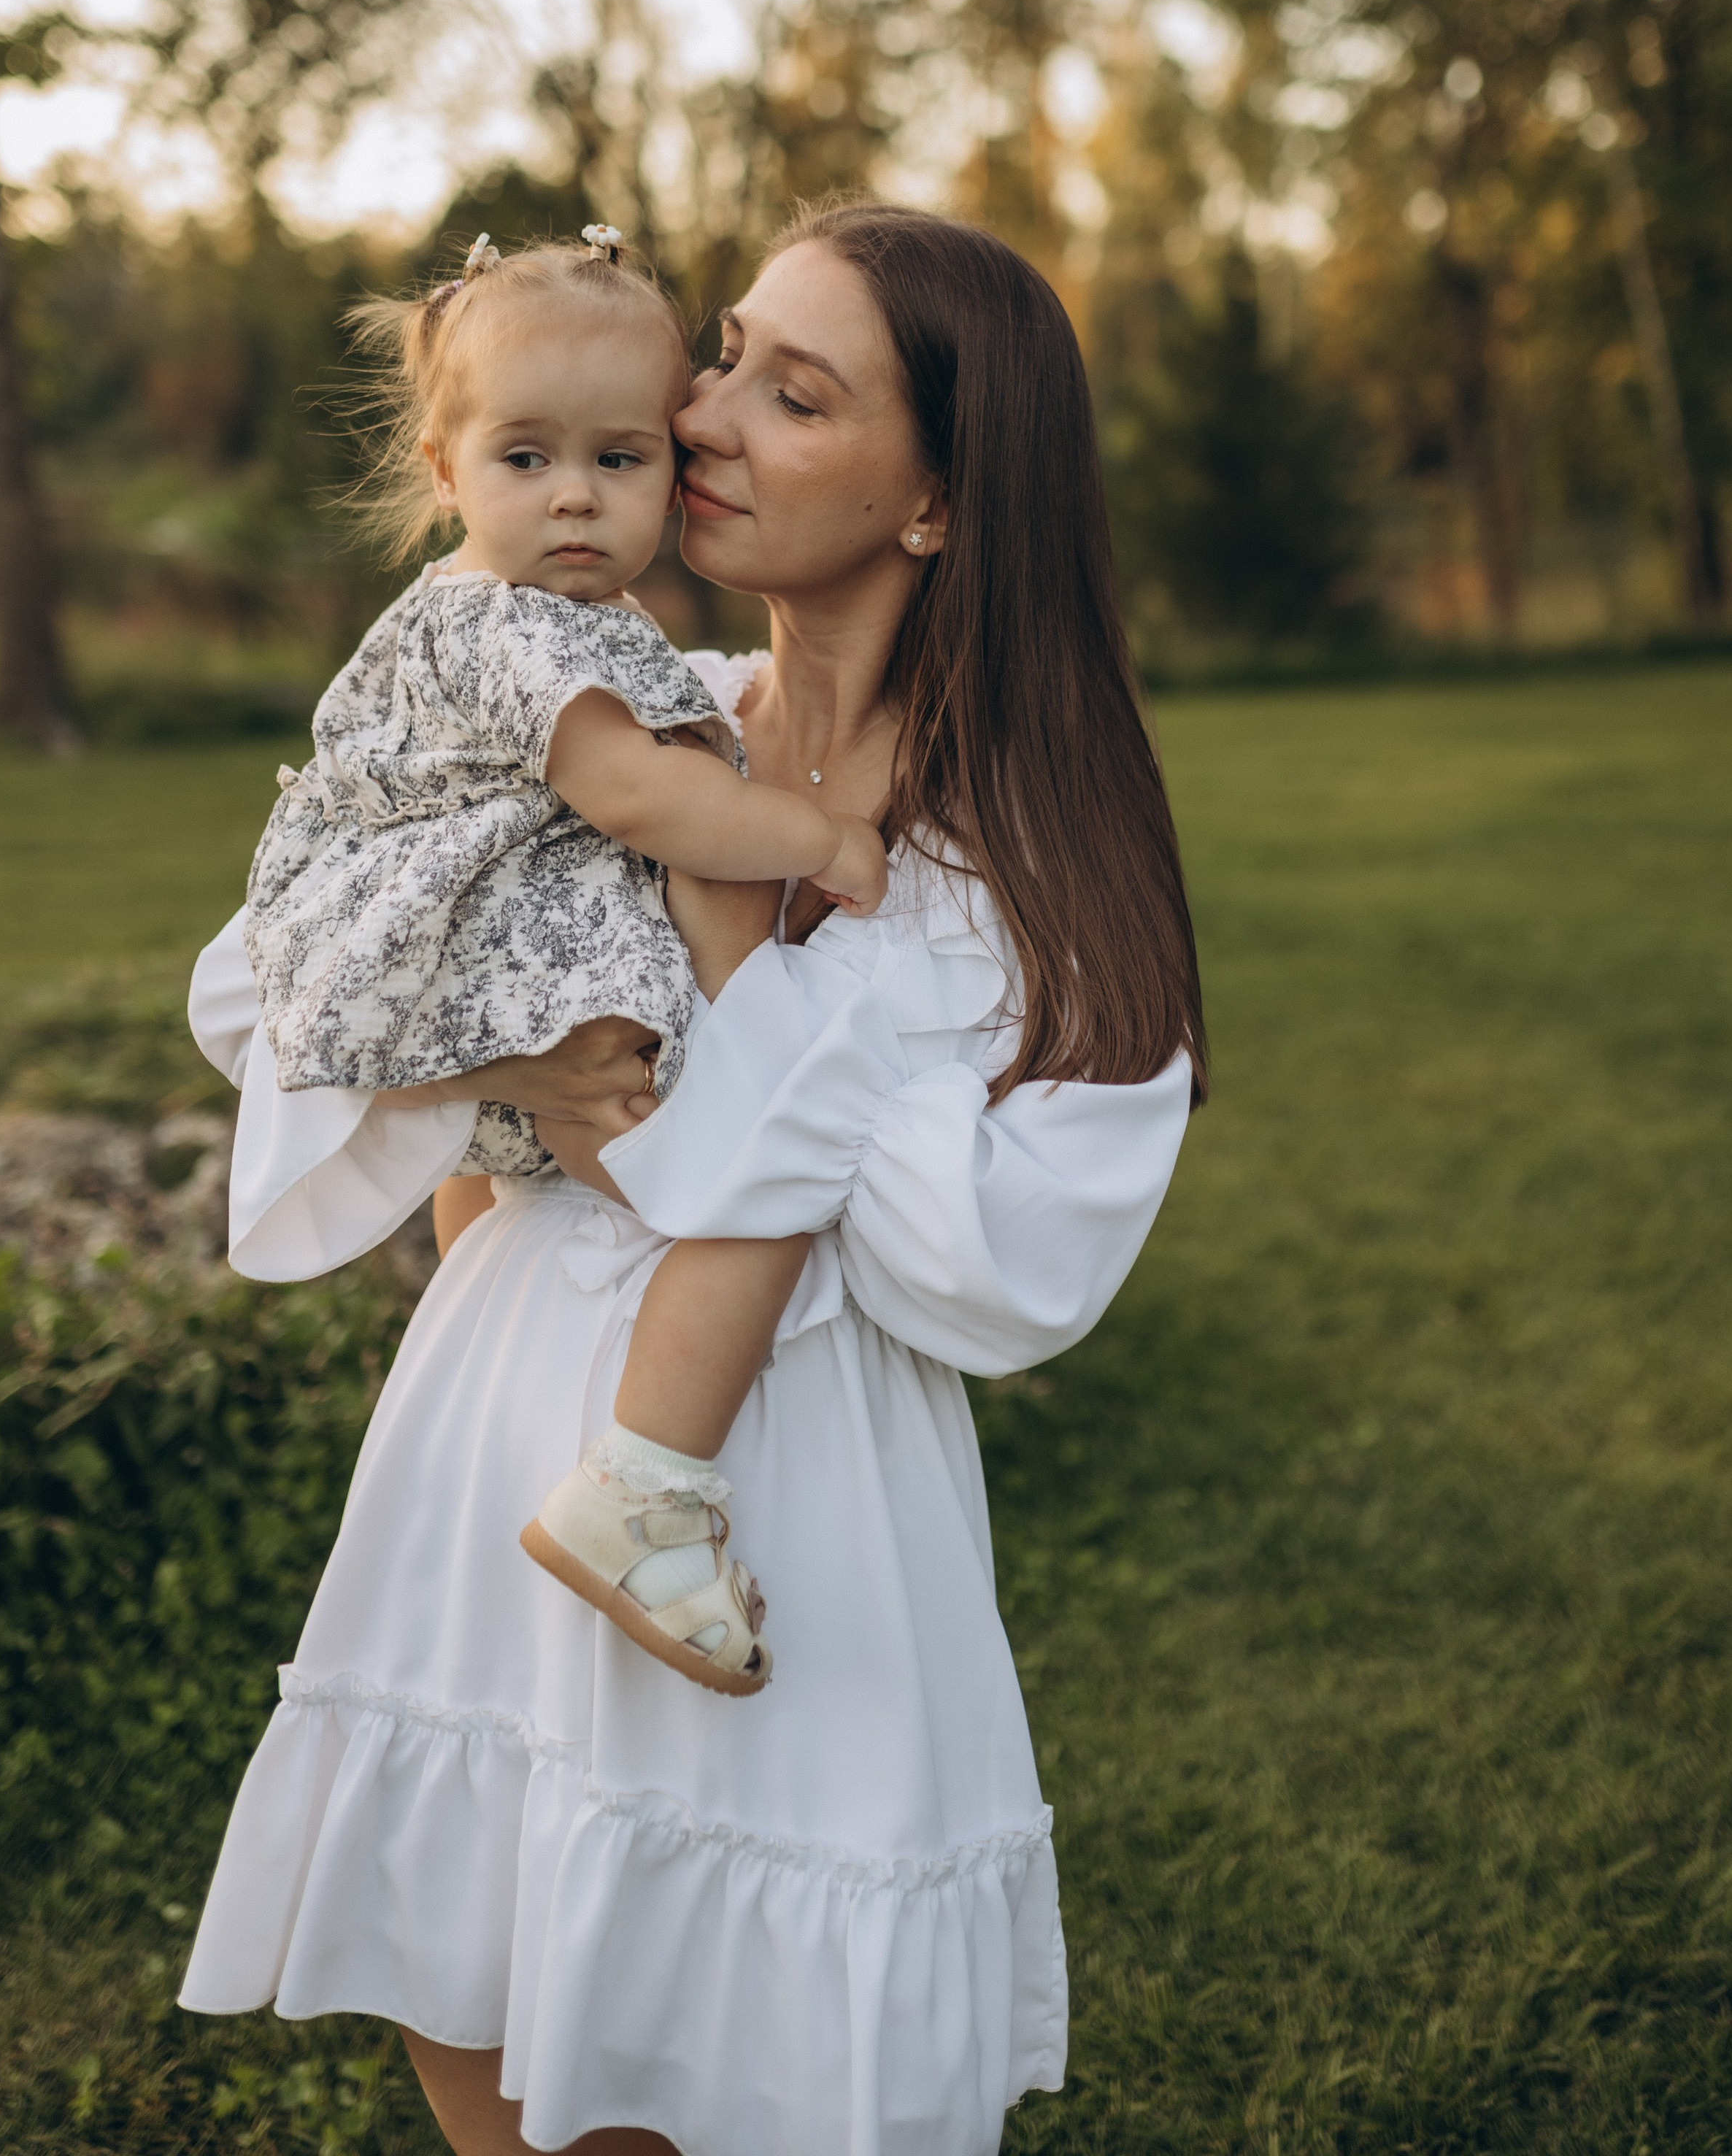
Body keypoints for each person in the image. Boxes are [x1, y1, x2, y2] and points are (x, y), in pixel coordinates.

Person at [180, 202, 1206, 2156]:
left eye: (792, 393)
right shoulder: (629, 718)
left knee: (728, 2031)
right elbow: (275, 978)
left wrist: (742, 970)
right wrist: (522, 1084)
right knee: (477, 1974)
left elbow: (993, 1273)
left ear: (934, 508)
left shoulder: (1011, 859)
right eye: (724, 351)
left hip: (781, 1481)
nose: (701, 410)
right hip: (497, 1423)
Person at [234, 223, 885, 1693]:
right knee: (760, 1173)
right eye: (526, 459)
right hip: (474, 955)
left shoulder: (527, 611)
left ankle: (503, 1386)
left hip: (449, 959)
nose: (577, 498)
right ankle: (647, 1488)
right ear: (445, 465)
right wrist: (807, 837)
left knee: (586, 1178)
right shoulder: (518, 630)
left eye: (621, 458)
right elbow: (637, 798)